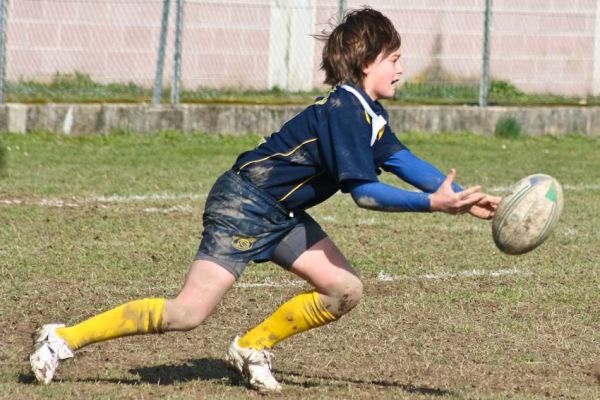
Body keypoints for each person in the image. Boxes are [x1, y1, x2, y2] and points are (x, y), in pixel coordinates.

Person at [30, 7, 501, 393]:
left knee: (344, 289)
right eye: (394, 58)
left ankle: (252, 347)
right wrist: (432, 205)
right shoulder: (343, 109)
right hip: (244, 203)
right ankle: (63, 339)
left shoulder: (368, 113)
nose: (401, 68)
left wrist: (462, 197)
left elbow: (403, 160)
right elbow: (365, 195)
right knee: (188, 313)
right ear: (366, 62)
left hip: (282, 213)